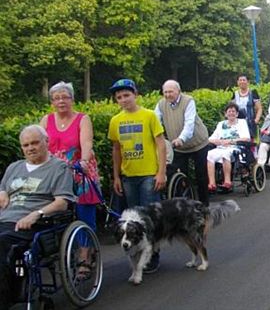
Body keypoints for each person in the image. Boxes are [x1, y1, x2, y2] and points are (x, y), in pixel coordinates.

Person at [0, 125, 75, 310]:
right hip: (5, 218)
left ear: (46, 142)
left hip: (33, 223)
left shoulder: (59, 167)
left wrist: (36, 214)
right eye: (25, 145)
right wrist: (2, 192)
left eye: (35, 143)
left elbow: (62, 202)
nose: (30, 148)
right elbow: (2, 187)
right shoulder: (14, 167)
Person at [39, 81, 100, 278]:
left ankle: (85, 257)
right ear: (52, 102)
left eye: (65, 97)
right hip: (54, 174)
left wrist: (83, 161)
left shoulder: (83, 119)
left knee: (84, 210)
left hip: (79, 171)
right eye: (56, 98)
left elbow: (87, 143)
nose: (61, 101)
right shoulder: (45, 120)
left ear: (72, 99)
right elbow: (40, 147)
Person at [109, 78, 166, 273]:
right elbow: (116, 149)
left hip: (148, 174)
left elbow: (160, 144)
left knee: (150, 217)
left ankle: (153, 254)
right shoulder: (115, 121)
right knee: (134, 220)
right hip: (128, 176)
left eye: (126, 95)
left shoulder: (149, 116)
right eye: (119, 97)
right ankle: (139, 253)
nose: (123, 100)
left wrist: (161, 172)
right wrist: (116, 176)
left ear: (135, 95)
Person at [154, 80, 210, 207]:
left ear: (178, 91)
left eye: (171, 91)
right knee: (179, 175)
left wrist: (181, 138)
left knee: (201, 175)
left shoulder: (188, 101)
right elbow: (155, 122)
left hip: (198, 143)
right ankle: (184, 205)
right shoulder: (161, 104)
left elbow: (189, 124)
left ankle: (204, 205)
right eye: (165, 92)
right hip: (179, 147)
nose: (168, 95)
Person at [206, 102, 251, 193]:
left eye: (233, 111)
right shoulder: (221, 124)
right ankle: (212, 183)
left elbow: (246, 138)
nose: (231, 113)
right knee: (209, 154)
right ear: (225, 114)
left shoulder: (242, 123)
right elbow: (210, 138)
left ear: (237, 114)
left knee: (225, 154)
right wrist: (217, 141)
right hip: (221, 146)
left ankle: (227, 181)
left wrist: (231, 141)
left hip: (236, 146)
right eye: (229, 111)